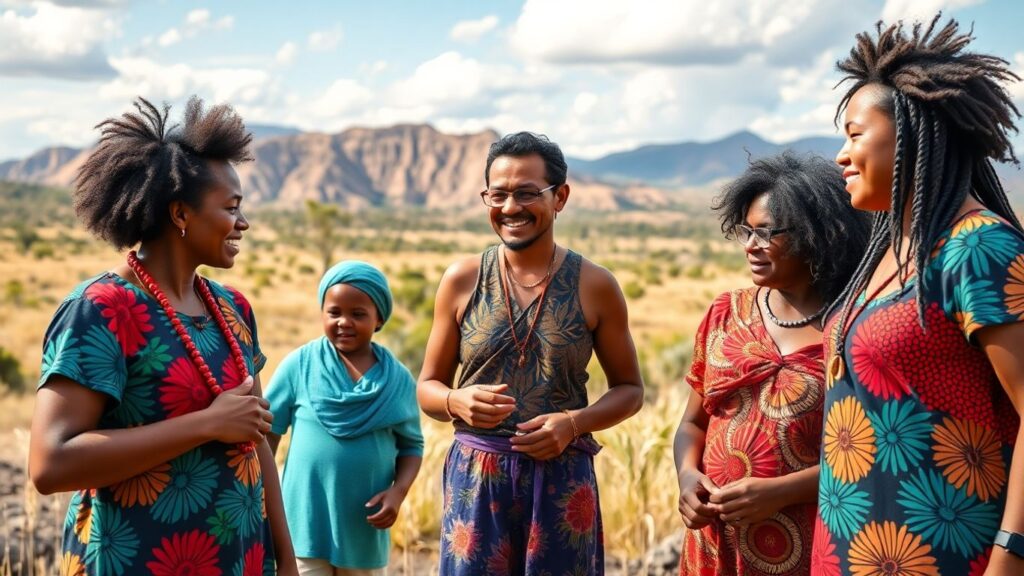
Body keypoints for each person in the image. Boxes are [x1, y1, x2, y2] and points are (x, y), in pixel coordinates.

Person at [29, 97, 297, 575]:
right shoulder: (100, 310)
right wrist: (206, 424)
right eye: (231, 207)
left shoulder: (233, 309)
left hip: (237, 559)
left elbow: (255, 440)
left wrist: (286, 561)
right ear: (180, 214)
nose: (243, 223)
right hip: (131, 559)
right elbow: (50, 464)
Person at [813, 16, 1024, 575]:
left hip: (947, 554)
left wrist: (1012, 554)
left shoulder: (979, 250)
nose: (840, 154)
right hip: (852, 548)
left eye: (855, 134)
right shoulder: (893, 250)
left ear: (909, 134)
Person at [417, 131, 644, 575]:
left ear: (560, 197)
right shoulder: (462, 280)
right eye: (497, 195)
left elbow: (631, 389)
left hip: (561, 480)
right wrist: (453, 400)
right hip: (476, 481)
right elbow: (427, 386)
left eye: (526, 193)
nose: (509, 208)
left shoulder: (595, 285)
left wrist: (573, 423)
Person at [673, 152, 870, 575]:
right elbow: (693, 423)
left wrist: (782, 492)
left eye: (766, 233)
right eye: (745, 230)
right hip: (714, 546)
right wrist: (688, 477)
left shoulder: (853, 329)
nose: (749, 245)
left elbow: (867, 454)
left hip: (805, 545)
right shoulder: (726, 312)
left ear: (817, 235)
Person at [266, 260, 423, 576]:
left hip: (363, 527)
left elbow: (412, 447)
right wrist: (260, 495)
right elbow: (266, 434)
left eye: (358, 314)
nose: (344, 322)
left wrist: (398, 491)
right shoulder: (300, 365)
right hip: (302, 525)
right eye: (334, 312)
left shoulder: (397, 380)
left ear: (379, 318)